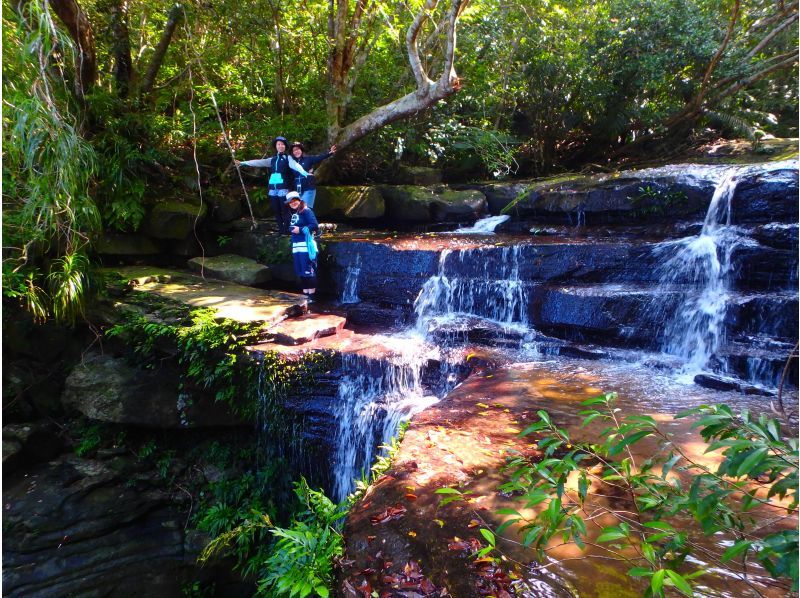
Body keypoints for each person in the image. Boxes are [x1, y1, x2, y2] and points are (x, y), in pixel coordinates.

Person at [235, 136, 311, 234]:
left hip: (283, 188)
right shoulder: (272, 159)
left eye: (282, 144)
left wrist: (305, 173)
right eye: (278, 144)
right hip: (273, 189)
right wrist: (243, 163)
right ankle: (281, 230)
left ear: (285, 146)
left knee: (285, 210)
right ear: (276, 146)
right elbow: (259, 162)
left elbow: (295, 166)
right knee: (276, 210)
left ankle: (288, 229)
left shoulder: (288, 158)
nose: (280, 146)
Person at [285, 191, 320, 303]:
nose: (292, 203)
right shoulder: (293, 213)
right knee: (301, 272)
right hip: (297, 246)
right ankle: (305, 296)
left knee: (308, 271)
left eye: (294, 200)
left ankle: (312, 298)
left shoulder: (306, 210)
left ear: (299, 200)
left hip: (306, 246)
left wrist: (300, 229)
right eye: (290, 202)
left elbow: (314, 225)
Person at [289, 141, 337, 209]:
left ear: (301, 150)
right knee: (299, 210)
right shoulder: (291, 163)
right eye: (294, 150)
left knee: (305, 209)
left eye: (298, 149)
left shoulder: (308, 159)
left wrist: (330, 153)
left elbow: (319, 157)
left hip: (308, 188)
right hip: (297, 190)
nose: (296, 151)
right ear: (292, 152)